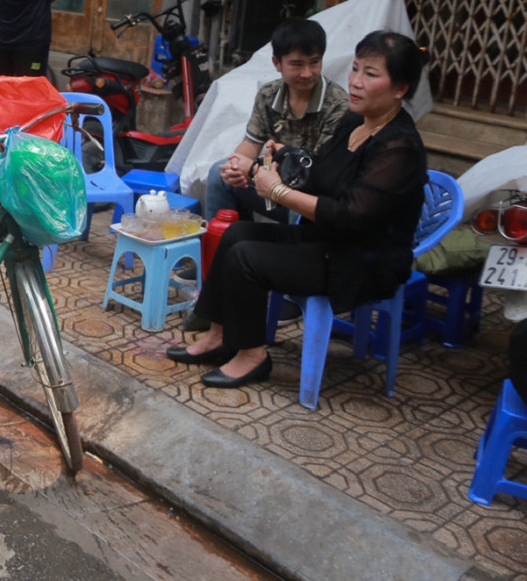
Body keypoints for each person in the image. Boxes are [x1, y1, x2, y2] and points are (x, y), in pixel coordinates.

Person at [165, 31, 428, 390]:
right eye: (354, 69)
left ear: (400, 88)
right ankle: (217, 335)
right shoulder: (355, 122)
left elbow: (350, 215)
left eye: (370, 73)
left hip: (360, 260)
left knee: (247, 257)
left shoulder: (399, 146)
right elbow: (321, 172)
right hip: (323, 240)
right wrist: (285, 154)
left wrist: (275, 189)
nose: (355, 81)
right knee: (236, 233)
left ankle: (252, 355)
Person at [204, 18, 349, 223]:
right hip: (270, 178)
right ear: (276, 63)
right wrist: (237, 168)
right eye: (297, 64)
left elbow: (320, 174)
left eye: (314, 62)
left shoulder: (337, 104)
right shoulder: (268, 94)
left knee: (303, 200)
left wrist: (256, 169)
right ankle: (222, 245)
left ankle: (287, 251)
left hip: (309, 191)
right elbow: (251, 143)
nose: (307, 73)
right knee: (220, 174)